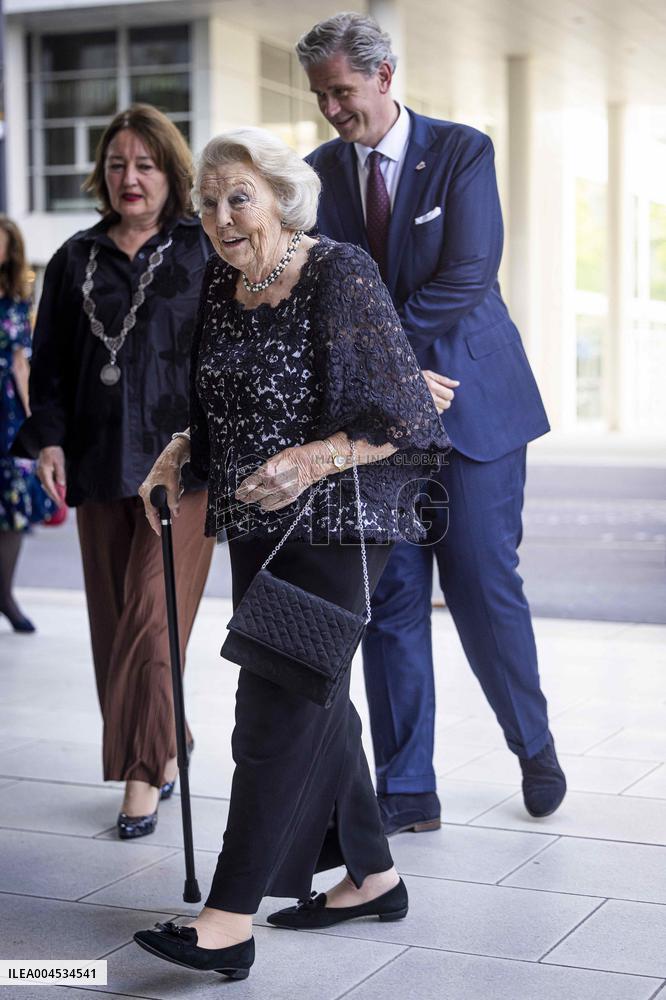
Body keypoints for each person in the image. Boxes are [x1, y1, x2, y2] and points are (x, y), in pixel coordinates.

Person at [132, 127, 449, 979]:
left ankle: (228, 920)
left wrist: (308, 461)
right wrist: (179, 456)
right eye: (206, 202)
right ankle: (374, 875)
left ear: (280, 196)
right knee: (315, 698)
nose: (222, 215)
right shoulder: (220, 285)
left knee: (271, 706)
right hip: (260, 520)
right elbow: (221, 406)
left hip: (342, 520)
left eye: (239, 195)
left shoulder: (339, 273)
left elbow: (406, 418)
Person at [297, 12, 567, 835]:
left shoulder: (460, 151)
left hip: (476, 409)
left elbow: (469, 273)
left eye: (342, 92)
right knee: (393, 600)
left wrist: (388, 351)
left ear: (384, 76)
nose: (333, 110)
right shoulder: (317, 176)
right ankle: (408, 788)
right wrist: (391, 372)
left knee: (486, 591)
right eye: (321, 97)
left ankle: (534, 746)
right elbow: (327, 299)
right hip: (382, 428)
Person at [13, 104, 215, 838]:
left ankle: (141, 772)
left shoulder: (204, 248)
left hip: (186, 469)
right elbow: (54, 364)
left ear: (172, 171)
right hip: (99, 463)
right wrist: (49, 441)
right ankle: (168, 739)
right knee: (113, 626)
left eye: (147, 164)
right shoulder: (73, 257)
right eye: (118, 164)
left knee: (153, 625)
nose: (130, 178)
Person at [0, 216, 53, 633]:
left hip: (8, 413)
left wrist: (36, 417)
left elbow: (21, 361)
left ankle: (5, 595)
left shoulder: (18, 297)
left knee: (14, 506)